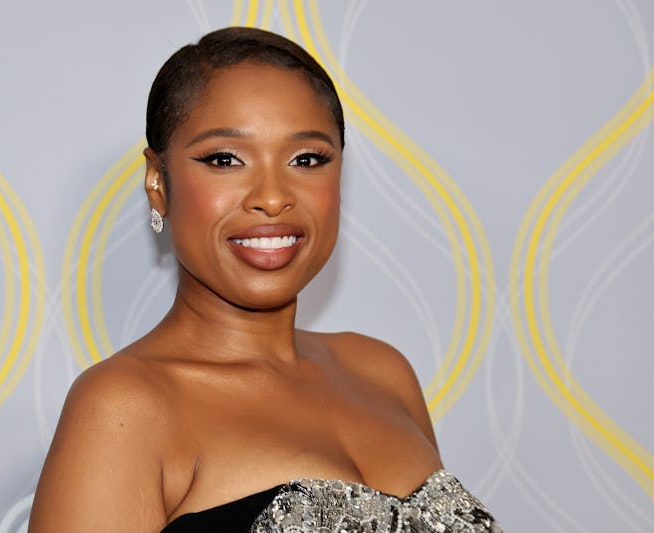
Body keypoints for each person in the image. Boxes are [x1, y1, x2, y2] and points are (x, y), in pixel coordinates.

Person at [29, 27, 500, 532]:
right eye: (225, 160)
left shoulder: (383, 372)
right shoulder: (124, 408)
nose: (273, 197)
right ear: (158, 183)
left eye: (307, 159)